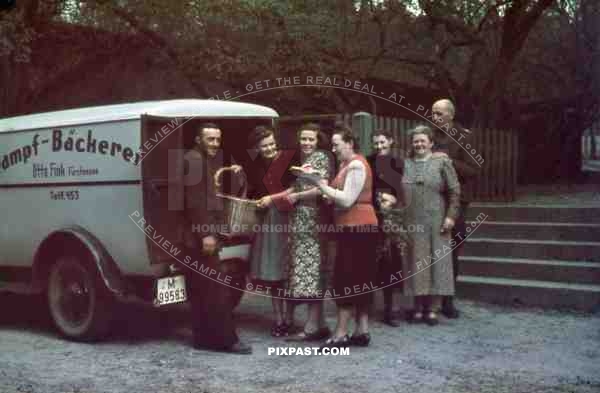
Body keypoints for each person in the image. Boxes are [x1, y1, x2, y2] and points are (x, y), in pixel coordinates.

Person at [302, 124, 378, 348]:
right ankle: (362, 331)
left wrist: (319, 184)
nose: (333, 149)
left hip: (358, 228)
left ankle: (341, 333)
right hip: (353, 227)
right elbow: (338, 195)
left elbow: (346, 200)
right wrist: (322, 185)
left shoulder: (355, 165)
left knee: (347, 278)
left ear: (349, 143)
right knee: (360, 278)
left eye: (336, 145)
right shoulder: (347, 164)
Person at [182, 122, 252, 354]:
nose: (215, 143)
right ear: (198, 140)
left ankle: (202, 339)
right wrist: (207, 234)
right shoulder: (194, 160)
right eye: (210, 139)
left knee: (201, 288)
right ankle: (226, 341)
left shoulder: (200, 159)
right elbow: (194, 202)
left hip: (199, 235)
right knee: (216, 289)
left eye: (217, 139)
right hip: (201, 236)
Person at [401, 125, 460, 326]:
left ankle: (433, 308)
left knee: (437, 262)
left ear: (431, 143)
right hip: (413, 220)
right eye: (415, 141)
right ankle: (418, 307)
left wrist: (451, 216)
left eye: (422, 141)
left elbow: (454, 191)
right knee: (416, 263)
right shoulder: (406, 163)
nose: (418, 144)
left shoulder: (441, 161)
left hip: (437, 218)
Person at [431, 98, 481, 319]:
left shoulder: (465, 137)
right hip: (432, 201)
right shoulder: (430, 136)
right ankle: (429, 302)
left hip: (456, 202)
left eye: (439, 113)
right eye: (433, 113)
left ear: (451, 114)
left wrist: (448, 161)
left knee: (452, 250)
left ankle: (448, 302)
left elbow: (474, 168)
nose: (435, 117)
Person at [246, 125, 297, 337]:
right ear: (257, 147)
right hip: (269, 221)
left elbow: (298, 188)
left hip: (289, 217)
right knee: (274, 272)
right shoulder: (256, 165)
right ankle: (279, 320)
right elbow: (254, 192)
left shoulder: (289, 159)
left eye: (272, 144)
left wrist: (272, 198)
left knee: (290, 273)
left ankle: (291, 319)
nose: (269, 148)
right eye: (264, 146)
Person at [285, 123, 332, 341]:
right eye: (303, 139)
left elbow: (322, 187)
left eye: (310, 139)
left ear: (317, 140)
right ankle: (318, 324)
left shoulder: (320, 158)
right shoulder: (304, 161)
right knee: (309, 272)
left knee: (311, 271)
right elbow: (299, 187)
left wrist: (297, 197)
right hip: (302, 221)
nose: (306, 143)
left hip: (312, 220)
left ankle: (313, 327)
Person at [367, 129, 405, 327]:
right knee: (371, 260)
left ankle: (389, 309)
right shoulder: (368, 161)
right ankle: (366, 305)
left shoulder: (398, 163)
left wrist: (395, 198)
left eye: (383, 142)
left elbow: (404, 187)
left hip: (392, 217)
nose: (379, 146)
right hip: (372, 214)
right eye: (376, 143)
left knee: (391, 261)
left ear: (391, 141)